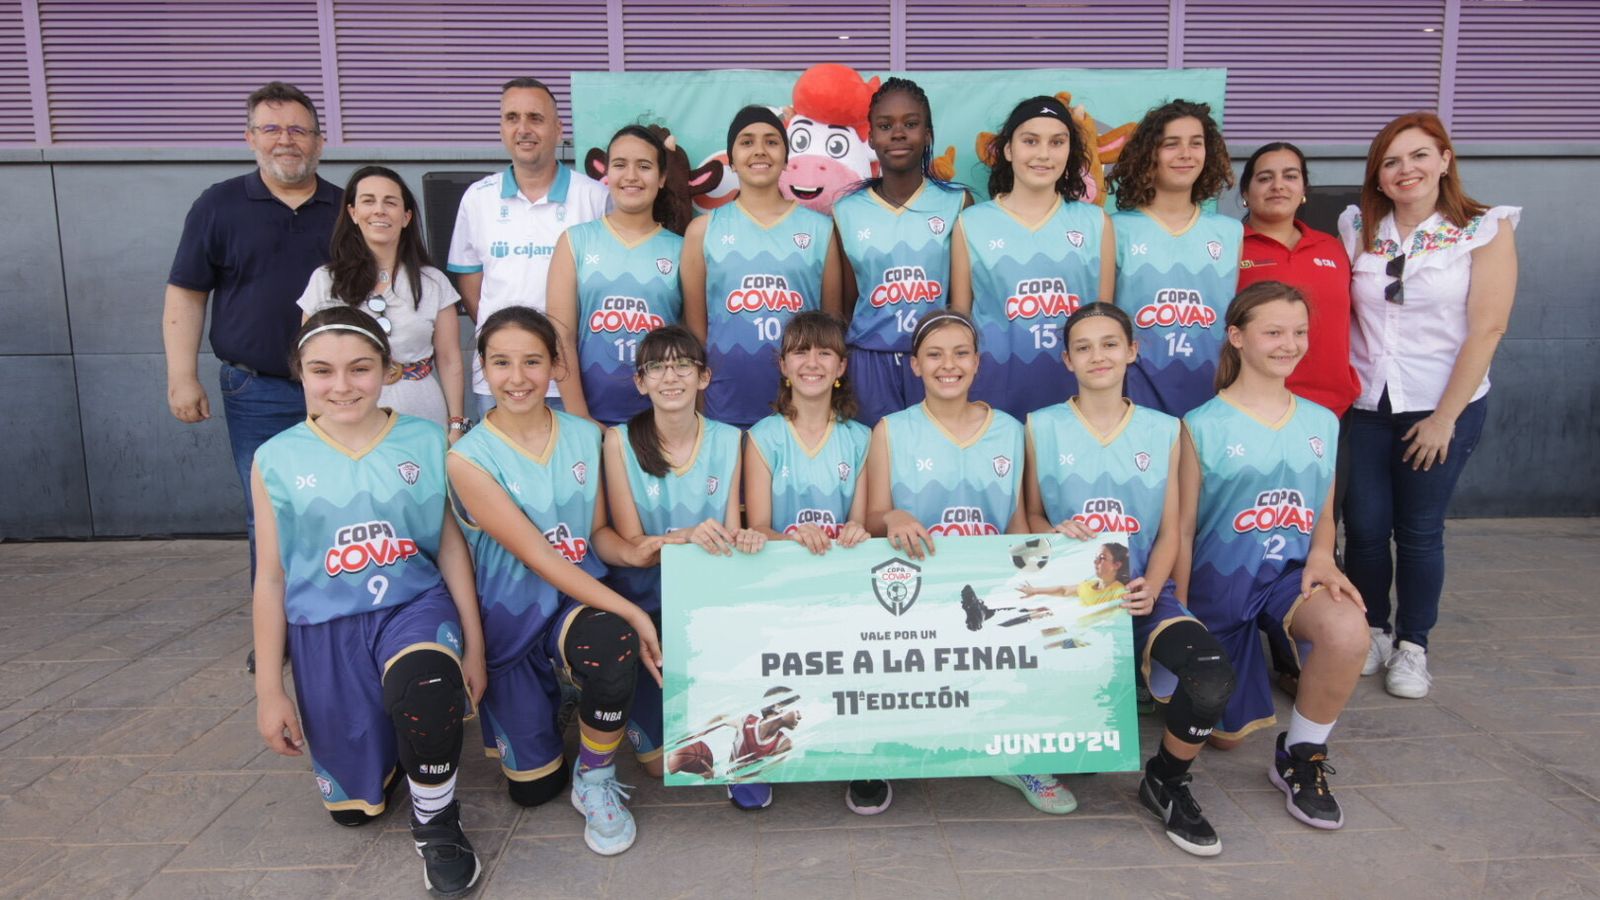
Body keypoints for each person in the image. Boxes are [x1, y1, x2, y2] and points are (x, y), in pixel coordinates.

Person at [251, 306, 488, 896]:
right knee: (356, 811)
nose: (342, 385)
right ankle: (399, 748)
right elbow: (271, 579)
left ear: (388, 369)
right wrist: (270, 691)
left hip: (413, 604)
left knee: (426, 688)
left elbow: (451, 546)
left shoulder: (426, 440)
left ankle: (437, 821)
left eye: (359, 368)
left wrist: (475, 647)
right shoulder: (275, 458)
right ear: (300, 374)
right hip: (326, 631)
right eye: (322, 370)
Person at [447, 307, 666, 856]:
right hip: (512, 619)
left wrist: (636, 551)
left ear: (555, 366)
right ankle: (565, 690)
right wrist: (634, 610)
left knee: (615, 642)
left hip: (576, 603)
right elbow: (539, 557)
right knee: (535, 791)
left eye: (532, 361)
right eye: (501, 362)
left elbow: (596, 534)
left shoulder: (586, 435)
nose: (517, 377)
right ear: (482, 368)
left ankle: (594, 776)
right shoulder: (466, 458)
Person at [1022, 301, 1235, 856]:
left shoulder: (1165, 430)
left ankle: (1166, 779)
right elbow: (1029, 517)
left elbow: (1172, 529)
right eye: (1084, 347)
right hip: (1073, 602)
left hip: (1142, 595)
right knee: (1066, 742)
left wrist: (1154, 587)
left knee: (1210, 678)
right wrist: (1052, 532)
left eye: (1110, 343)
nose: (1098, 356)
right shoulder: (1039, 426)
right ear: (1067, 359)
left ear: (1133, 351)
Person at [1338, 113, 1519, 699]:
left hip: (1441, 404)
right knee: (1365, 527)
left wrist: (1444, 419)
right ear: (1378, 176)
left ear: (1444, 159)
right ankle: (1374, 630)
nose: (1405, 170)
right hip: (1368, 399)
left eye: (1419, 155)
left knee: (1417, 530)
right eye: (1391, 162)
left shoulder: (1484, 228)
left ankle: (1413, 646)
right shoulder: (1358, 226)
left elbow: (1488, 327)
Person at [163, 82, 341, 671]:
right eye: (272, 128)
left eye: (298, 130)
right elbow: (186, 294)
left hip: (339, 393)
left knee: (340, 505)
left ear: (319, 141)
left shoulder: (346, 208)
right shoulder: (218, 205)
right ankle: (277, 635)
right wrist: (181, 376)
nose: (286, 140)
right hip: (255, 389)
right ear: (250, 138)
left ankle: (334, 623)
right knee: (268, 513)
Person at [1179, 281, 1368, 830]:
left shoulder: (1322, 421)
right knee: (1224, 738)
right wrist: (1180, 613)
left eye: (1299, 332)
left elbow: (1323, 510)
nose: (1290, 344)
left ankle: (1302, 755)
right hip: (1220, 585)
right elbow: (1183, 528)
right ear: (1237, 337)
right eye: (1274, 332)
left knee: (1348, 629)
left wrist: (1324, 555)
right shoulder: (1200, 425)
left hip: (1290, 577)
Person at [865, 310, 1066, 812]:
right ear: (915, 365)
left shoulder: (1010, 430)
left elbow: (1017, 520)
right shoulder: (890, 430)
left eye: (960, 353)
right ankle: (881, 753)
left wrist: (1037, 588)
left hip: (988, 593)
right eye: (934, 355)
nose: (948, 365)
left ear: (977, 362)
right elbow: (871, 517)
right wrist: (892, 515)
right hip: (919, 594)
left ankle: (1018, 757)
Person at [601, 326, 764, 799]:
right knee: (658, 765)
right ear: (640, 382)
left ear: (704, 377)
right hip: (647, 603)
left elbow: (729, 534)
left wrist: (741, 538)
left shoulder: (729, 439)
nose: (670, 377)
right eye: (656, 367)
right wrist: (685, 537)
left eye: (682, 366)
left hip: (707, 603)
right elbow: (633, 543)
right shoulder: (619, 441)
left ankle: (737, 735)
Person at [743, 311, 882, 814]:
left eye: (825, 352)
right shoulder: (762, 436)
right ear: (783, 365)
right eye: (800, 351)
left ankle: (864, 755)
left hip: (840, 586)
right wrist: (790, 537)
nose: (812, 362)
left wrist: (856, 532)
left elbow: (861, 523)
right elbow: (758, 527)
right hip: (781, 585)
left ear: (841, 366)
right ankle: (754, 754)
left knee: (862, 653)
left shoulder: (862, 438)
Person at [1237, 142, 1361, 695]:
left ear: (1305, 189)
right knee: (1256, 533)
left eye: (1290, 176)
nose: (1278, 185)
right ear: (1245, 191)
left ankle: (1301, 654)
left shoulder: (1333, 248)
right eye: (1264, 177)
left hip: (1328, 415)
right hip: (1255, 417)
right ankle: (1244, 649)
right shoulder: (1231, 247)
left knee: (1318, 531)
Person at [447, 77, 609, 419]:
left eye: (535, 118)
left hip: (574, 380)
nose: (523, 129)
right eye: (512, 118)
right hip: (500, 381)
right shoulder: (477, 198)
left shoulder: (595, 197)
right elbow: (472, 288)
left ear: (558, 129)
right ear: (501, 128)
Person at [950, 96, 1114, 423]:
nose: (1043, 154)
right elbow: (960, 326)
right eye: (1030, 141)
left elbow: (1105, 325)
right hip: (994, 400)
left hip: (1077, 402)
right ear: (1008, 150)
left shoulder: (1096, 223)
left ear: (1070, 150)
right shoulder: (971, 224)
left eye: (1057, 142)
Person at [682, 105, 843, 428]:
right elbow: (697, 334)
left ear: (786, 157)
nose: (759, 150)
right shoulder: (703, 231)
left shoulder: (819, 230)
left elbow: (832, 326)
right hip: (725, 405)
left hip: (802, 409)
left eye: (771, 141)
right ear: (731, 158)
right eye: (747, 142)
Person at [833, 77, 971, 426]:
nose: (897, 134)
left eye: (910, 124)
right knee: (874, 454)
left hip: (937, 361)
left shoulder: (956, 202)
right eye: (885, 126)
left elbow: (963, 300)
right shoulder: (847, 210)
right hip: (869, 362)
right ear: (870, 138)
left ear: (928, 134)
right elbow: (844, 304)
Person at [297, 165, 467, 433]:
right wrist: (316, 423)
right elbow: (310, 362)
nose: (379, 210)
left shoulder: (433, 282)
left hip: (421, 412)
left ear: (406, 217)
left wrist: (456, 425)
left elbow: (449, 359)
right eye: (368, 201)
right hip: (346, 414)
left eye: (390, 202)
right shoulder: (325, 281)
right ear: (353, 213)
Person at [1108, 99, 1242, 418]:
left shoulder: (1230, 232)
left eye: (1196, 143)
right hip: (1134, 400)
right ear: (1149, 153)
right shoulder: (1115, 229)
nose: (1186, 154)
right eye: (1171, 144)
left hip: (1211, 398)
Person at [548, 125, 688, 425]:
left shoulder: (682, 250)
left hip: (664, 422)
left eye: (644, 166)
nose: (631, 176)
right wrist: (581, 419)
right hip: (590, 420)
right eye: (620, 164)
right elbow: (561, 337)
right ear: (607, 173)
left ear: (662, 178)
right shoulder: (575, 242)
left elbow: (693, 341)